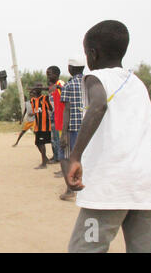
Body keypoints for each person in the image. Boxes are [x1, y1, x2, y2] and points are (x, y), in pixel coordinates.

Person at [65, 20, 151, 253]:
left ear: (93, 54)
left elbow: (98, 105)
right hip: (145, 191)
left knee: (84, 249)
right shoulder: (138, 84)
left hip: (109, 192)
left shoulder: (94, 78)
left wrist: (75, 156)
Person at [58, 58, 85, 200]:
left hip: (73, 128)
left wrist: (63, 134)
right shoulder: (90, 82)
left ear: (70, 69)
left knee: (64, 156)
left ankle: (70, 190)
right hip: (88, 127)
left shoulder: (68, 85)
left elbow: (67, 110)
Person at [30, 85, 53, 169]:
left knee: (42, 143)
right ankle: (45, 159)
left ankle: (44, 163)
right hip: (37, 126)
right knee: (37, 143)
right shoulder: (32, 101)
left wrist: (47, 107)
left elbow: (50, 108)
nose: (35, 90)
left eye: (37, 89)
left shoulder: (44, 98)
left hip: (44, 125)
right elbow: (35, 112)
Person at [46, 66, 65, 165]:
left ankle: (61, 160)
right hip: (55, 118)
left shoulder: (60, 84)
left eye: (49, 74)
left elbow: (65, 92)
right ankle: (56, 156)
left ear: (56, 74)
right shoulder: (53, 86)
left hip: (61, 118)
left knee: (60, 141)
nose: (48, 77)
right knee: (54, 139)